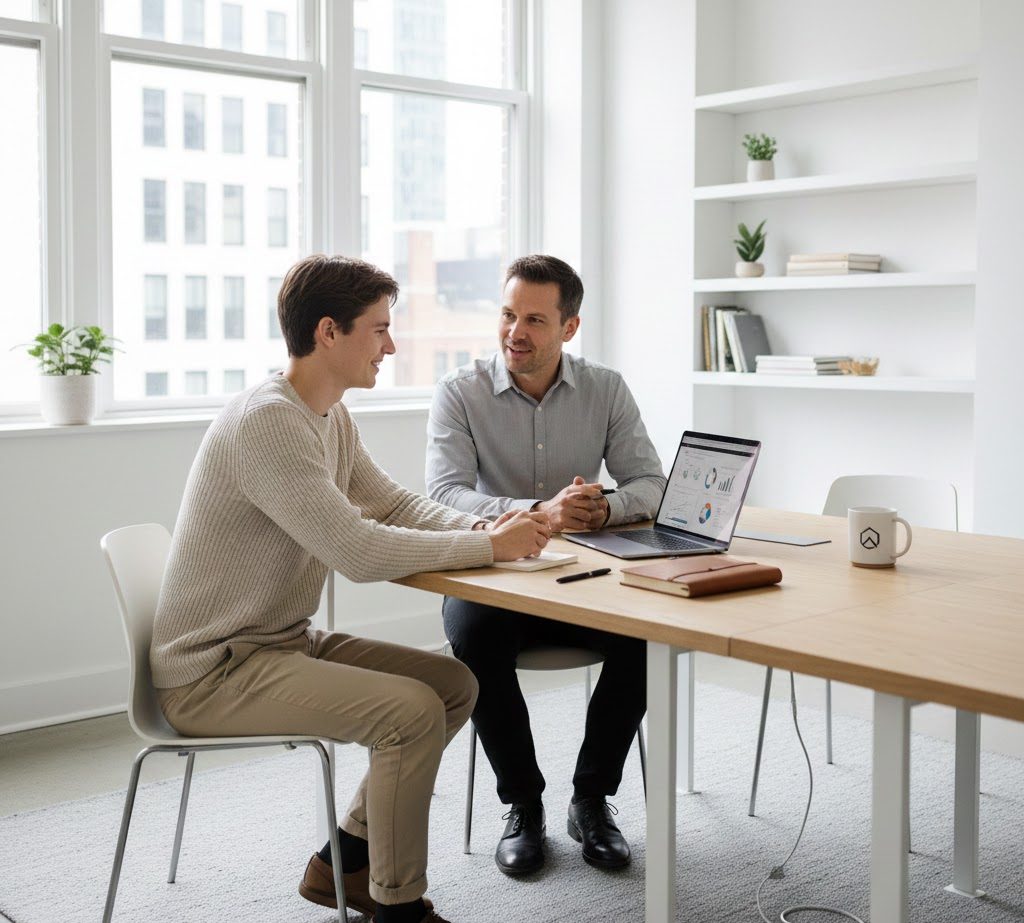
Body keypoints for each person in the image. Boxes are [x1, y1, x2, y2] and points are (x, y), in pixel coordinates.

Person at [150, 254, 551, 923]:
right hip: (212, 673)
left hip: (279, 643)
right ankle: (398, 905)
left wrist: (488, 525)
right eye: (379, 329)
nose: (391, 345)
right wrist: (490, 546)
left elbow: (392, 505)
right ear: (329, 332)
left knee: (454, 687)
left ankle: (341, 859)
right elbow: (359, 550)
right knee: (410, 713)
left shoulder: (327, 415)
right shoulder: (269, 421)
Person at [425, 254, 666, 876]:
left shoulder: (606, 388)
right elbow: (444, 495)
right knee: (472, 637)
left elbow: (651, 483)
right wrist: (540, 511)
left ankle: (591, 799)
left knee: (650, 634)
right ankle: (523, 804)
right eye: (508, 315)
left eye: (534, 318)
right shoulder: (459, 392)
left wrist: (602, 509)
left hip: (588, 583)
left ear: (570, 327)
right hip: (497, 584)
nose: (515, 332)